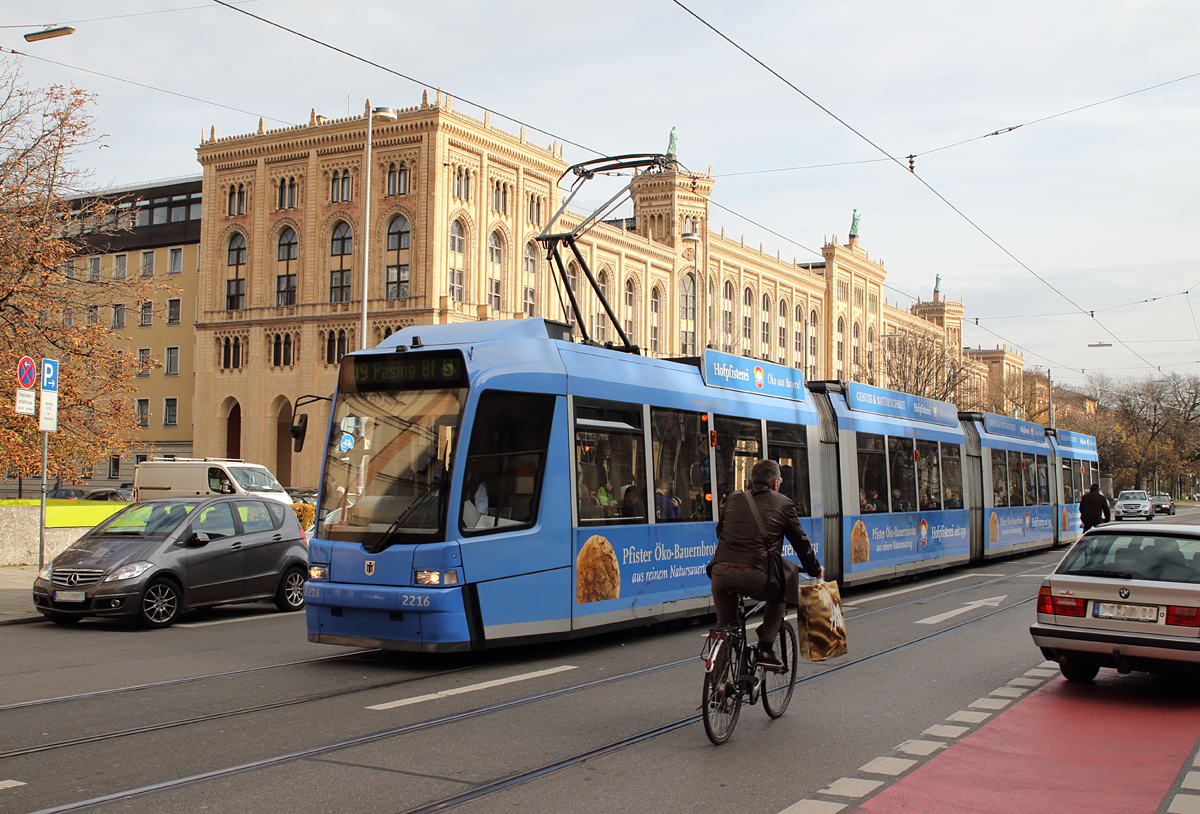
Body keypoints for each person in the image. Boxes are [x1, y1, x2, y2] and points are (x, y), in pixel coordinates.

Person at [707, 459, 823, 670]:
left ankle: (720, 688)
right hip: (757, 573)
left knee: (727, 627)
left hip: (720, 572)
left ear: (752, 480)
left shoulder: (733, 498)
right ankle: (766, 648)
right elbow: (800, 541)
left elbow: (720, 532)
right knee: (781, 593)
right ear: (775, 483)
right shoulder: (783, 502)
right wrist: (815, 569)